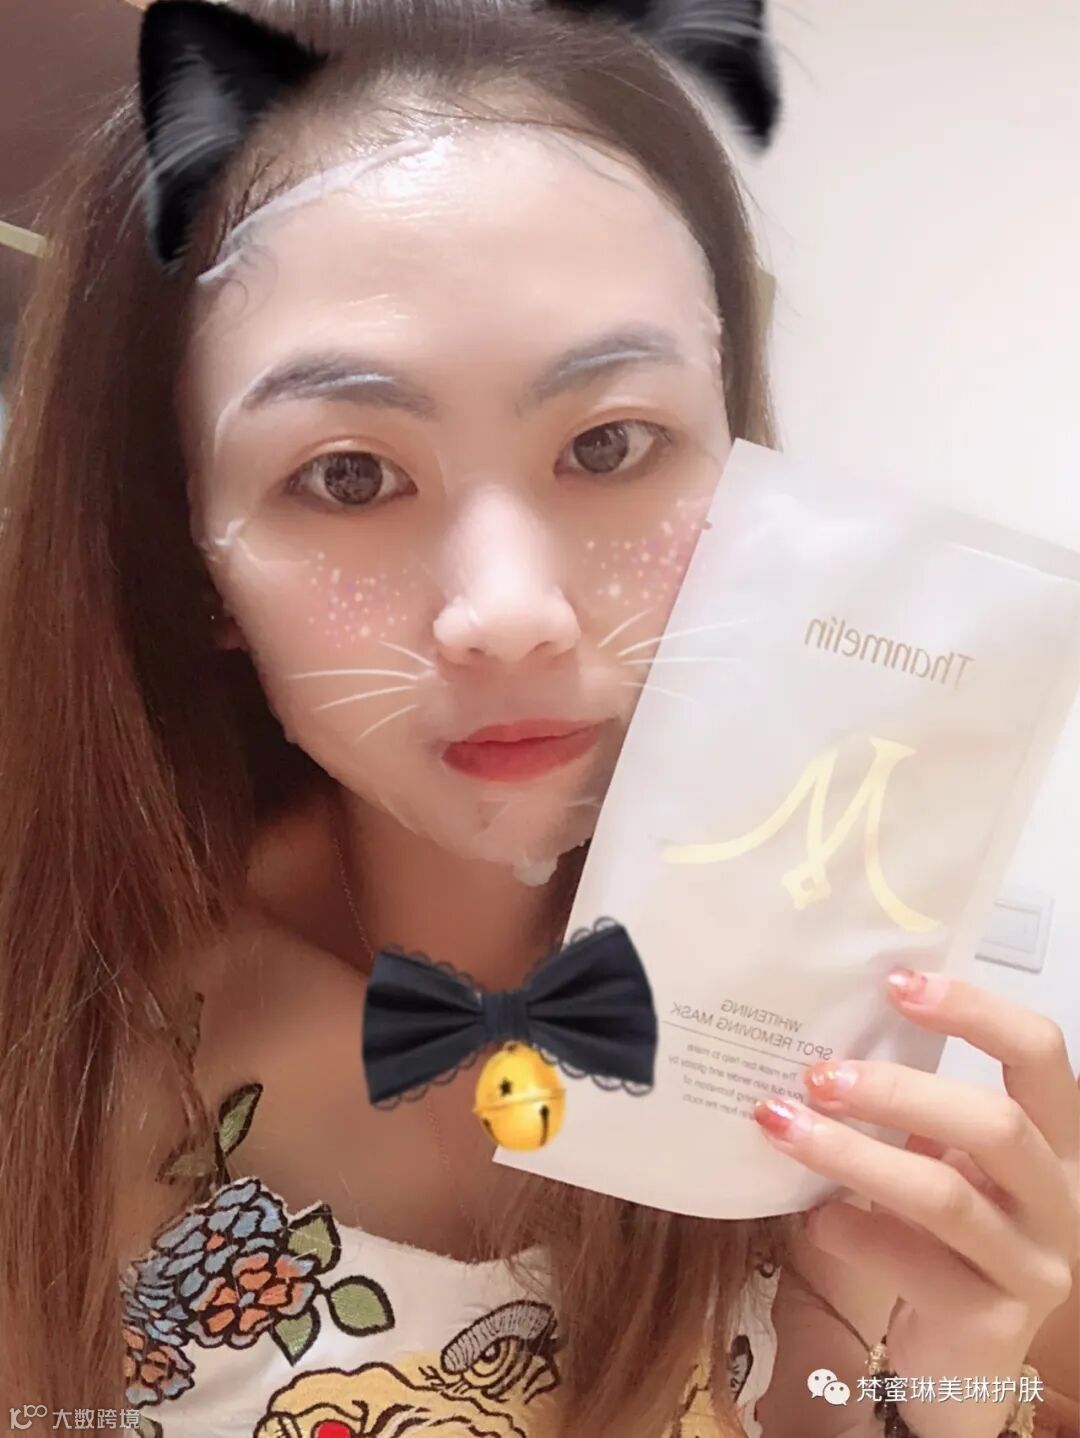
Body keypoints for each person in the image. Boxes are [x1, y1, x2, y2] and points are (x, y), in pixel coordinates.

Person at [0, 2, 1076, 1436]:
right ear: (195, 553)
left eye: (611, 443)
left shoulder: (821, 1003)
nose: (511, 613)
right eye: (346, 475)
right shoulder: (57, 1071)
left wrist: (949, 1375)